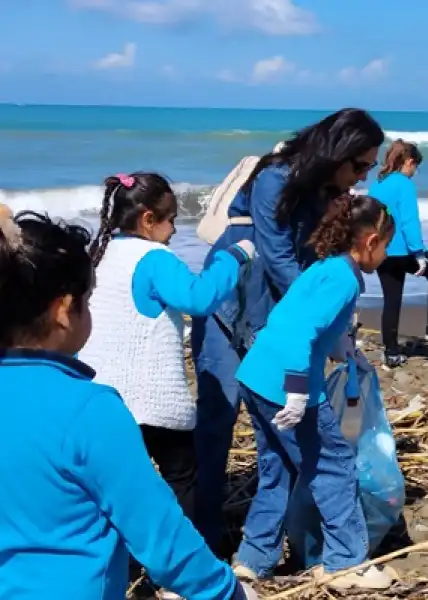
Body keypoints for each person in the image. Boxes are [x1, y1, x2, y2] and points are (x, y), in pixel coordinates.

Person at [0, 211, 257, 600]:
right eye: (86, 301)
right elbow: (161, 536)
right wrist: (226, 591)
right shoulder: (89, 409)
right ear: (62, 310)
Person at [191, 109, 384, 554]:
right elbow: (277, 256)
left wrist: (336, 331)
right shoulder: (276, 177)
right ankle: (203, 531)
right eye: (359, 165)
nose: (362, 176)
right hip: (235, 299)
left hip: (280, 309)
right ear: (337, 151)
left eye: (369, 168)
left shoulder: (330, 191)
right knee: (219, 413)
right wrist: (315, 315)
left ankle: (261, 543)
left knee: (275, 434)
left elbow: (319, 255)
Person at [78, 172, 255, 595]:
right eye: (172, 220)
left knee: (109, 486)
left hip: (99, 399)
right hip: (149, 400)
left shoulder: (95, 254)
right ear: (147, 218)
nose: (175, 230)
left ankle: (116, 567)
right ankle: (182, 572)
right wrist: (234, 257)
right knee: (182, 479)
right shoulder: (153, 259)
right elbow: (198, 298)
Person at [232, 194, 397, 590]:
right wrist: (297, 392)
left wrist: (343, 348)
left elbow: (291, 317)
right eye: (387, 246)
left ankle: (253, 557)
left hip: (255, 375)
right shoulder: (343, 280)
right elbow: (299, 332)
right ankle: (345, 562)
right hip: (286, 383)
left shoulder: (323, 267)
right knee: (334, 465)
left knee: (279, 467)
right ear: (371, 241)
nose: (387, 255)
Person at [368, 140, 428, 367]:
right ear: (409, 161)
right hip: (404, 250)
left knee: (391, 301)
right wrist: (418, 253)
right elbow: (408, 221)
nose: (415, 172)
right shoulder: (404, 184)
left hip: (382, 251)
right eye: (415, 166)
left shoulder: (378, 184)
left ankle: (392, 353)